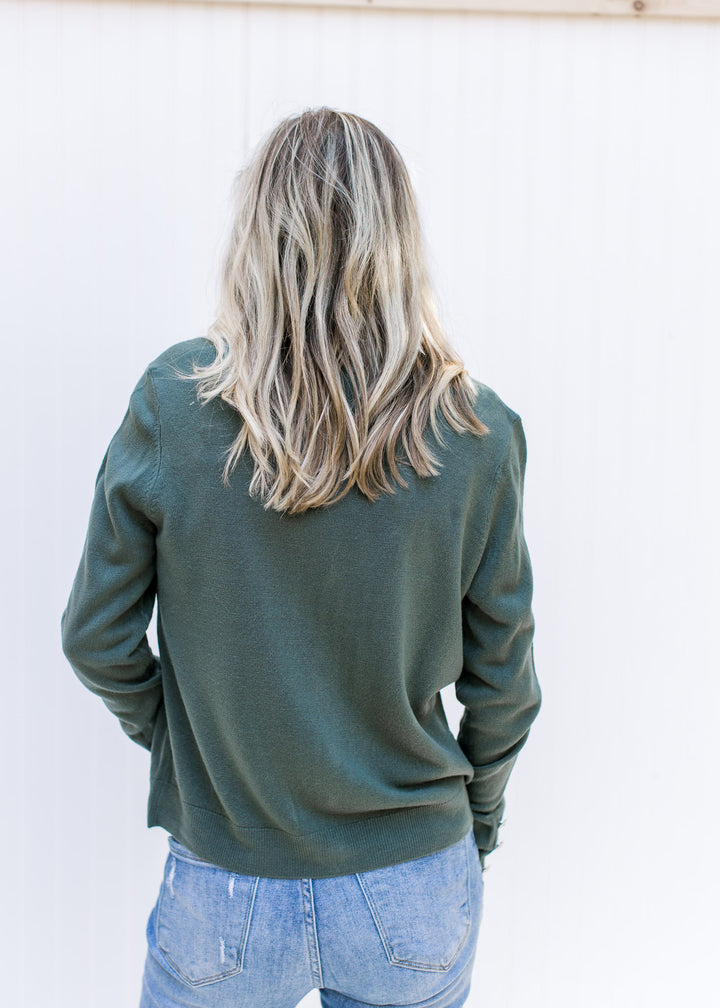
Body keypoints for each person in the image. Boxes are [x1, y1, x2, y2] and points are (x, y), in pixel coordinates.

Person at [60, 106, 542, 1008]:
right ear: (399, 242)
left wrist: (183, 744)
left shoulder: (175, 403)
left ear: (256, 234)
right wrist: (476, 824)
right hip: (416, 879)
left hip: (227, 883)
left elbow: (96, 638)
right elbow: (505, 682)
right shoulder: (478, 431)